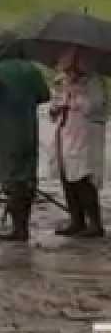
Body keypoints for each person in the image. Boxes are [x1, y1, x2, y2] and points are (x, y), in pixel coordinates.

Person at [0, 34, 52, 241]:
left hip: (4, 132)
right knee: (27, 176)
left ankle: (18, 228)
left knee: (10, 177)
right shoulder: (31, 69)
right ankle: (23, 226)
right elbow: (45, 95)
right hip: (28, 129)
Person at [50, 47, 107, 238]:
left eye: (71, 69)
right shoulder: (65, 82)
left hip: (85, 137)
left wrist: (76, 97)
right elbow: (56, 105)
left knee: (83, 178)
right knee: (68, 177)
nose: (68, 73)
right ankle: (76, 220)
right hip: (66, 134)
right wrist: (57, 106)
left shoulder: (93, 84)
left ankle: (95, 223)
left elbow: (95, 108)